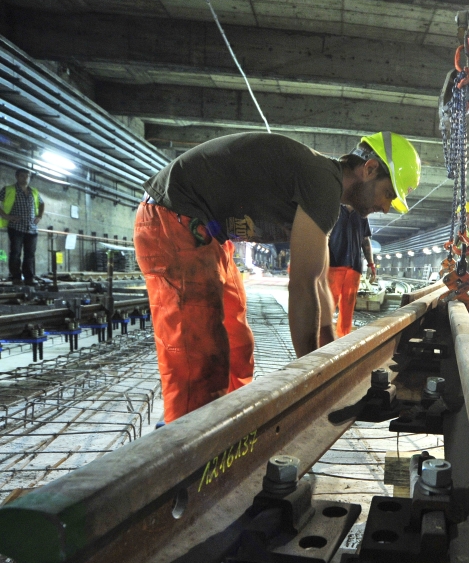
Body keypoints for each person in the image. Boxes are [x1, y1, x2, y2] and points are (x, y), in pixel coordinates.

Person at [136, 131, 420, 423]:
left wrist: (330, 351)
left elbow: (319, 280)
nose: (385, 208)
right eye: (388, 194)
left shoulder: (325, 189)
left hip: (206, 234)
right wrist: (314, 379)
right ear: (369, 168)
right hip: (172, 218)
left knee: (237, 344)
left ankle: (224, 425)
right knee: (199, 353)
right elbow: (302, 285)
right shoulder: (323, 182)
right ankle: (188, 440)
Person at [328, 202, 375, 337]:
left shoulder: (362, 215)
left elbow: (365, 241)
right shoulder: (334, 210)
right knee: (328, 305)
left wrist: (371, 264)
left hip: (354, 268)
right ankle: (323, 339)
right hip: (333, 265)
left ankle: (343, 337)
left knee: (348, 307)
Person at [1, 168, 45, 286]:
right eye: (22, 176)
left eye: (27, 176)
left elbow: (42, 203)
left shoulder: (34, 191)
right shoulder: (8, 189)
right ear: (17, 177)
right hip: (16, 227)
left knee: (30, 254)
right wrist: (6, 216)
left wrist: (39, 216)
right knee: (15, 253)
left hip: (31, 228)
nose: (25, 178)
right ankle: (16, 277)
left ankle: (29, 278)